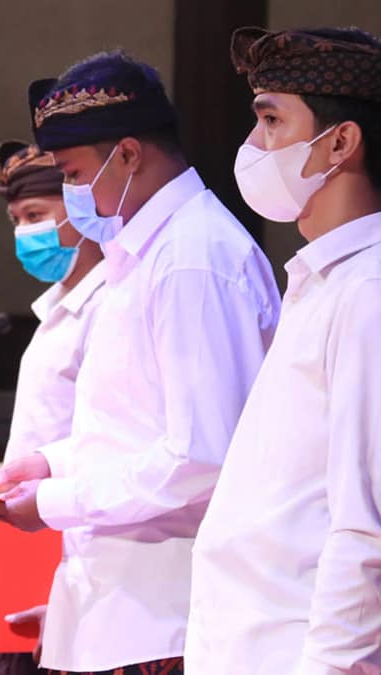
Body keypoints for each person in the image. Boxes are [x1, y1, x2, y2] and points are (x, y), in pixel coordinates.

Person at [0, 52, 282, 674]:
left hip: (168, 615)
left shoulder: (193, 258)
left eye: (74, 174)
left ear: (129, 154)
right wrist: (48, 463)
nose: (72, 191)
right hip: (119, 610)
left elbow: (203, 456)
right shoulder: (145, 252)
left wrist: (53, 500)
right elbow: (131, 425)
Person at [186, 26, 381, 674]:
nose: (253, 145)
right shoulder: (320, 281)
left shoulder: (367, 290)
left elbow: (366, 526)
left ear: (341, 142)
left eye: (271, 120)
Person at [0, 140, 106, 675]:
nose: (25, 232)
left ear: (80, 206)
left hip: (75, 540)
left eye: (35, 215)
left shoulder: (111, 304)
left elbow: (113, 441)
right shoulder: (57, 308)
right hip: (25, 541)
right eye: (16, 220)